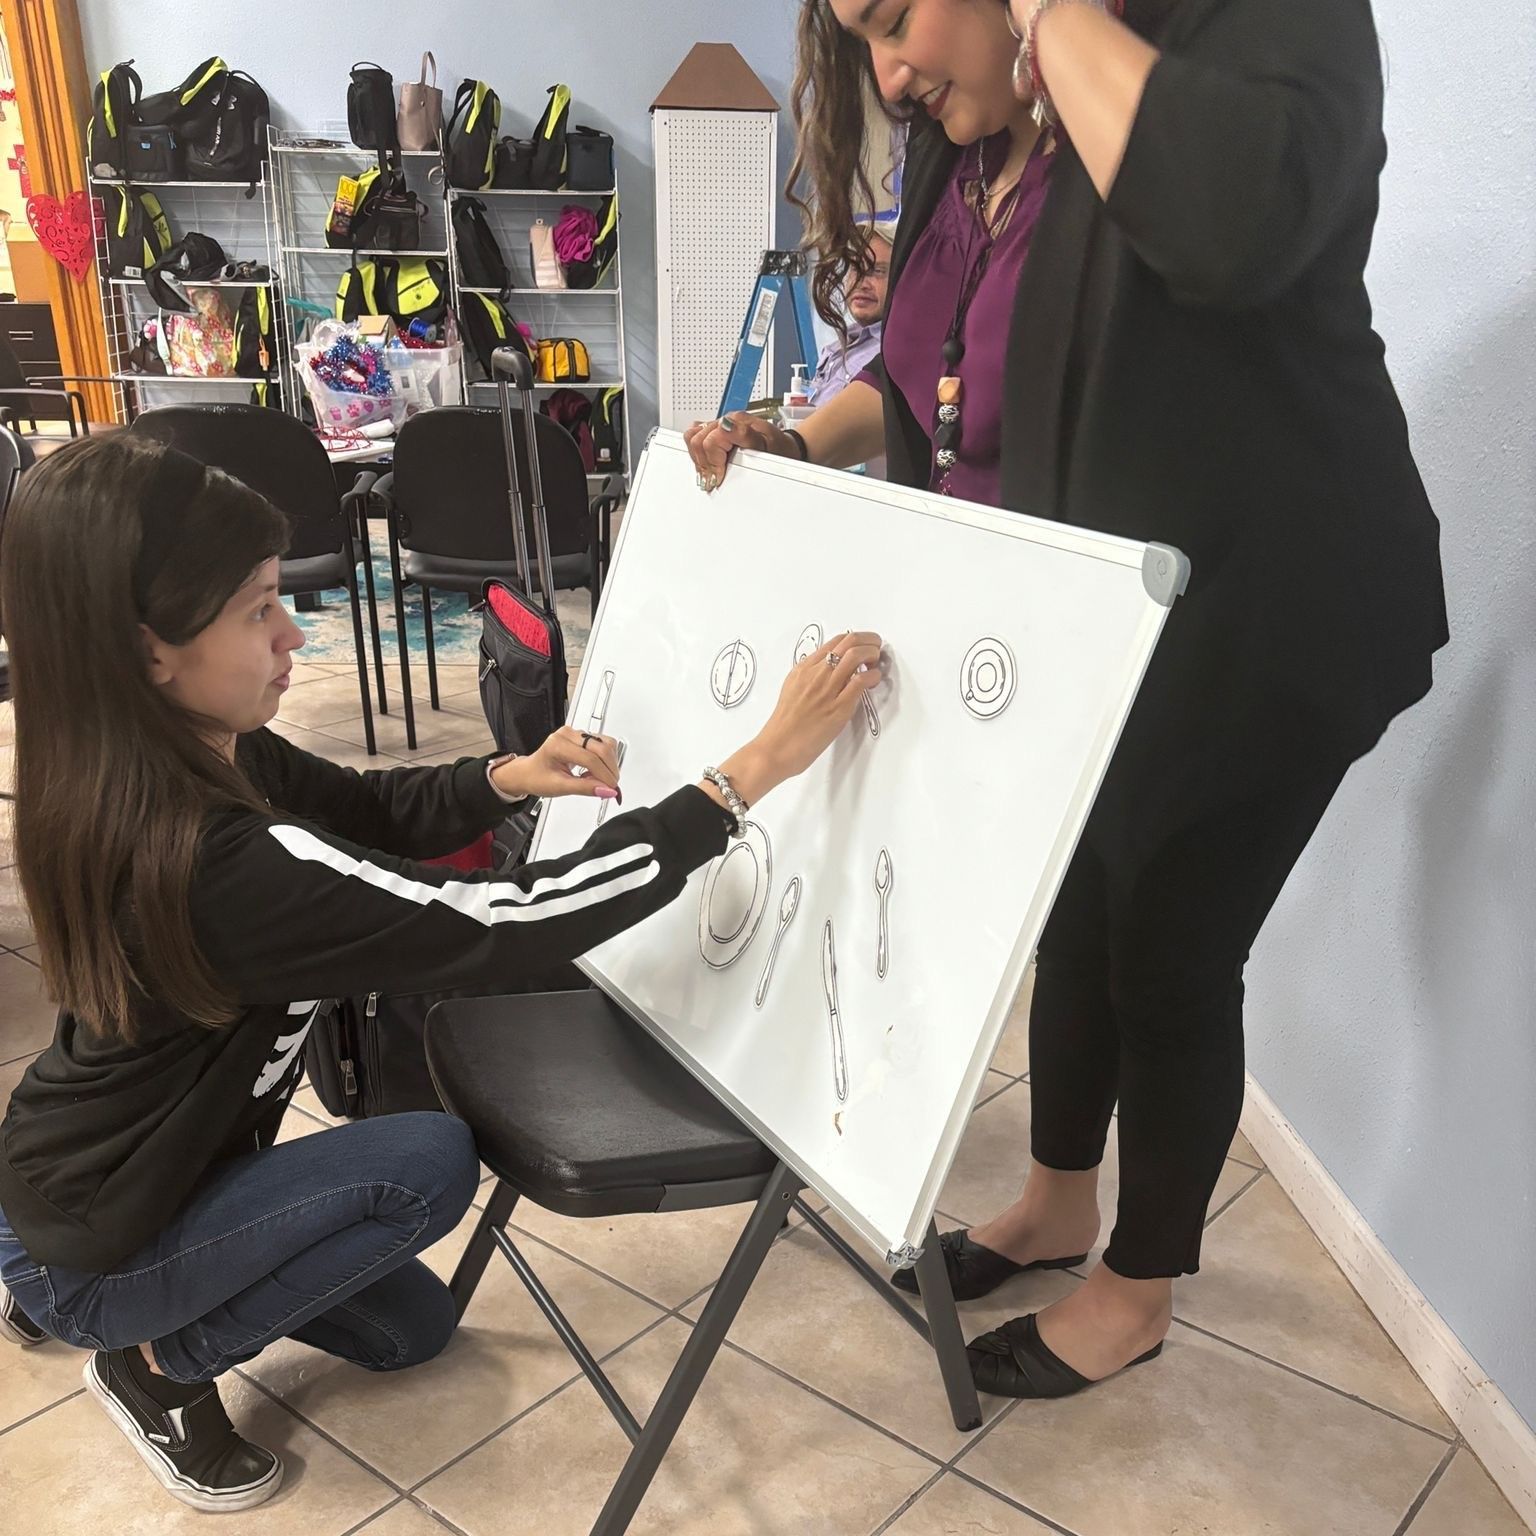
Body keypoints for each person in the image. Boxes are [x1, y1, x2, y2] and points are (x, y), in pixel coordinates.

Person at [687, 0, 1448, 1403]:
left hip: (1268, 613)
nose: (887, 70)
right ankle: (1056, 1200)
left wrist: (1052, 16)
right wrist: (793, 434)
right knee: (1080, 907)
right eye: (858, 35)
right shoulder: (959, 150)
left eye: (898, 18)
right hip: (1094, 633)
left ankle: (1138, 1286)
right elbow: (929, 377)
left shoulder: (1227, 43)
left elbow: (1226, 225)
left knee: (1166, 937)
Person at [0, 435, 882, 1512]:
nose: (292, 636)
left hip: (121, 1178)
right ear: (149, 651)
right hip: (103, 1226)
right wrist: (751, 771)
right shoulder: (214, 861)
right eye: (258, 612)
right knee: (423, 1163)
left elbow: (363, 811)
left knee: (411, 1331)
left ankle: (91, 1298)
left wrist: (505, 775)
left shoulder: (182, 752)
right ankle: (146, 1360)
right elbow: (509, 923)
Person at [806, 228, 892, 406]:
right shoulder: (838, 347)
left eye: (877, 271)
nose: (861, 283)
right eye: (854, 269)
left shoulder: (894, 353)